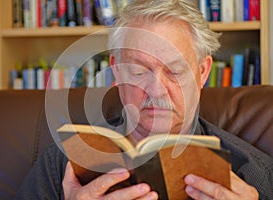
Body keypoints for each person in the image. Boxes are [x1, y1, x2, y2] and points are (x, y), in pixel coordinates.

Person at [16, 0, 273, 199]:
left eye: (174, 71)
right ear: (116, 71)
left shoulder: (253, 175)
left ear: (202, 72)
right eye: (138, 72)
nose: (156, 91)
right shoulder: (62, 163)